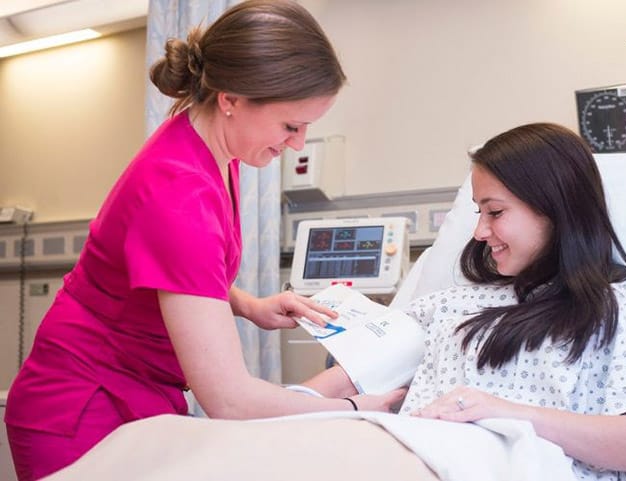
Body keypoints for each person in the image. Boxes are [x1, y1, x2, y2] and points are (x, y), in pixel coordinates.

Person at [4, 2, 402, 480]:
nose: (297, 144)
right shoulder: (178, 194)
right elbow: (230, 400)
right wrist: (359, 408)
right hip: (82, 407)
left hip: (139, 390)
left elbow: (174, 271)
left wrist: (249, 305)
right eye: (290, 126)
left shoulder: (214, 149)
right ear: (231, 99)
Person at [398, 123, 626, 481]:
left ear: (555, 210)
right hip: (404, 452)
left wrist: (497, 412)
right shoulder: (452, 303)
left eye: (495, 212)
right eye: (478, 213)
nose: (480, 232)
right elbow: (338, 386)